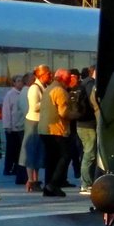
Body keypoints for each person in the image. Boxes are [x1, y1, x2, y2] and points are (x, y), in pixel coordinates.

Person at [38, 67, 72, 197]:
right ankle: (54, 184)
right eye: (68, 77)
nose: (69, 80)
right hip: (56, 130)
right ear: (62, 78)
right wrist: (77, 114)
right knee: (64, 156)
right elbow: (64, 112)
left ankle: (48, 186)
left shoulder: (49, 88)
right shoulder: (60, 90)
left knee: (51, 159)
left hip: (44, 129)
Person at [20, 65, 51, 192]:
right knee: (31, 151)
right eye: (48, 74)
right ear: (41, 75)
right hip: (33, 121)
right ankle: (30, 179)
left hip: (41, 121)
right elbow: (34, 106)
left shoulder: (44, 86)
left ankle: (36, 179)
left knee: (38, 152)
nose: (50, 76)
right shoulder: (34, 88)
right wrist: (47, 102)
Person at [74, 66, 99, 195]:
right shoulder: (90, 84)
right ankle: (86, 184)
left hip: (83, 124)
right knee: (89, 154)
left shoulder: (85, 83)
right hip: (87, 124)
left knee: (89, 153)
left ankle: (87, 182)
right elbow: (94, 103)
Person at [1, 74, 26, 177]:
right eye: (18, 81)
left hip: (21, 126)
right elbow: (6, 111)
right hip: (12, 127)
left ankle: (16, 168)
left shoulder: (24, 93)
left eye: (21, 81)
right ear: (14, 83)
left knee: (19, 149)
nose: (20, 83)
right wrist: (7, 126)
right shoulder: (10, 95)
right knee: (11, 149)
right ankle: (7, 168)